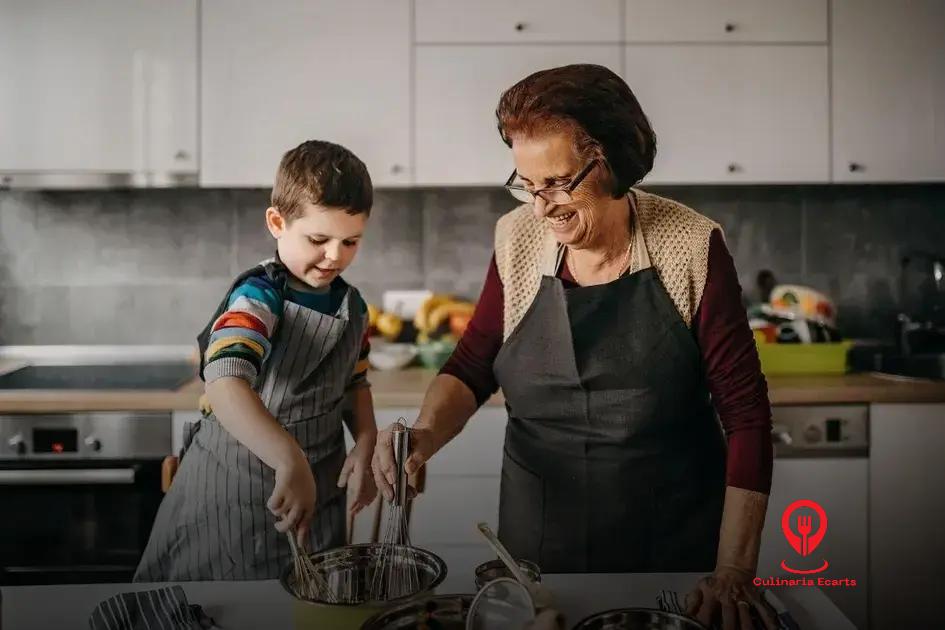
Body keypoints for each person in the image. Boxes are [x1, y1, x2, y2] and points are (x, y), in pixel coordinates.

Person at [373, 64, 777, 628]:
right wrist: (424, 435)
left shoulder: (691, 245)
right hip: (537, 542)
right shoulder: (517, 237)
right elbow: (471, 366)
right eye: (527, 185)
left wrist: (735, 570)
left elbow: (746, 414)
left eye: (560, 182)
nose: (542, 207)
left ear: (612, 160)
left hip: (671, 538)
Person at [135, 140, 378, 581]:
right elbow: (224, 383)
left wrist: (365, 441)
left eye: (351, 242)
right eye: (318, 239)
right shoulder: (258, 298)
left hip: (318, 496)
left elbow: (356, 385)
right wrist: (289, 458)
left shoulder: (354, 307)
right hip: (235, 494)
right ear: (277, 222)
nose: (335, 256)